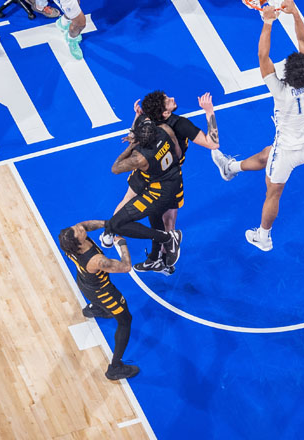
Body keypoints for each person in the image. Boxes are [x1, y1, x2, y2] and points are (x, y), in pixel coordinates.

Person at [211, 0, 304, 252]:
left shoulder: (281, 92)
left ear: (287, 75)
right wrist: (295, 13)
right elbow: (303, 43)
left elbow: (262, 56)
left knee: (273, 193)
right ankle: (231, 168)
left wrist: (268, 21)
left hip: (288, 152)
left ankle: (264, 236)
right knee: (267, 153)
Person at [123, 90, 221, 273]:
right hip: (170, 178)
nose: (173, 98)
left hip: (150, 175)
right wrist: (209, 111)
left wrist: (137, 118)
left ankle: (156, 258)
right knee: (166, 223)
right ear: (165, 113)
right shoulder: (179, 124)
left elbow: (132, 138)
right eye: (168, 101)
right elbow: (212, 143)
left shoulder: (146, 121)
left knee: (154, 218)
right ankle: (162, 260)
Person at [57, 220, 140, 381]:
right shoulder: (96, 261)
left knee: (95, 297)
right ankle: (115, 368)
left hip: (84, 282)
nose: (80, 227)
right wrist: (122, 244)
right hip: (102, 293)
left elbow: (86, 226)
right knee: (125, 321)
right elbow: (126, 266)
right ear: (79, 241)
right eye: (78, 230)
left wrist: (108, 223)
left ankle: (95, 309)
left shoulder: (69, 243)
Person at [102, 116, 184, 269]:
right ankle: (156, 258)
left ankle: (168, 238)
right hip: (173, 178)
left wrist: (131, 146)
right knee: (155, 219)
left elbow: (115, 168)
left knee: (117, 224)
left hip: (158, 191)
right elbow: (178, 153)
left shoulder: (139, 159)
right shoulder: (164, 130)